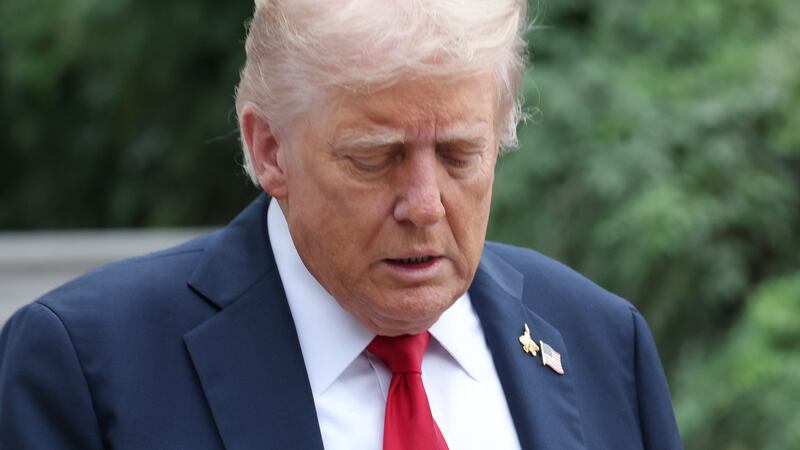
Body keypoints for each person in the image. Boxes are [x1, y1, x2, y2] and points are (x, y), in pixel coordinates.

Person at [0, 0, 683, 449]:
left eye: (459, 154)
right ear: (269, 149)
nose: (424, 203)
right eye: (374, 158)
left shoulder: (601, 342)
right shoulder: (84, 369)